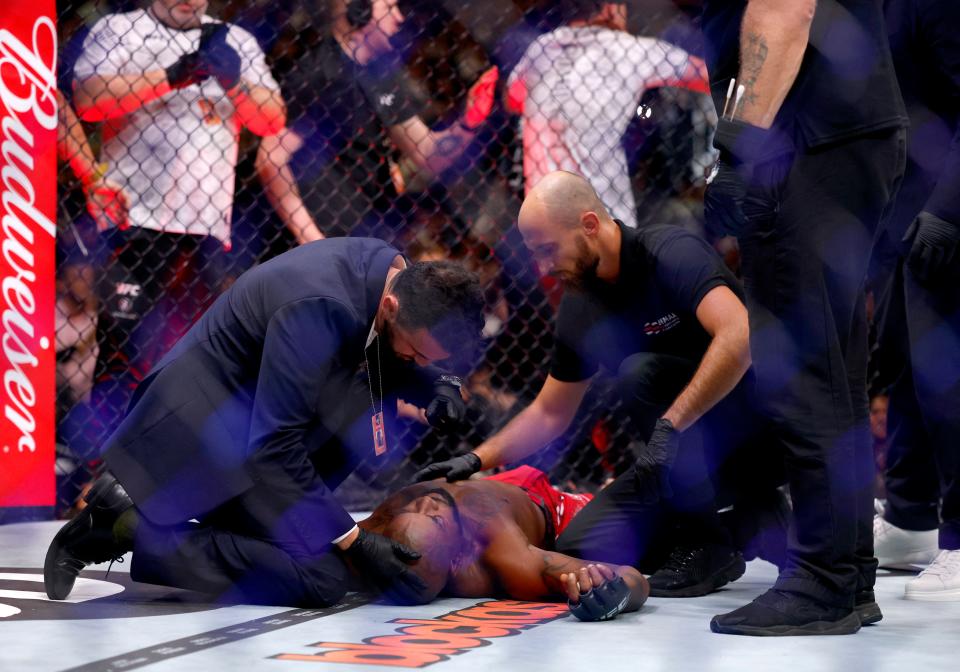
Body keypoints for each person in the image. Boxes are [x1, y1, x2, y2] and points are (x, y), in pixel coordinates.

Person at [44, 238, 485, 608]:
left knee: (311, 548)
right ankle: (130, 529)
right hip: (198, 439)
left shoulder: (397, 275)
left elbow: (394, 352)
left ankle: (149, 517)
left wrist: (439, 384)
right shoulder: (321, 308)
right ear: (390, 306)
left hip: (250, 430)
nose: (417, 363)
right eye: (417, 353)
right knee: (322, 577)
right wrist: (354, 539)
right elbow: (274, 446)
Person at [415, 171, 776, 598]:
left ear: (590, 225)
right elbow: (550, 412)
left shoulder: (669, 253)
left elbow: (740, 333)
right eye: (536, 255)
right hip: (678, 458)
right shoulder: (581, 303)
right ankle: (749, 522)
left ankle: (709, 543)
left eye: (548, 250)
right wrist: (476, 459)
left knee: (640, 373)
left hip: (755, 430)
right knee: (581, 547)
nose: (545, 267)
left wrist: (671, 426)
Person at [699, 0, 908, 635]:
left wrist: (738, 150)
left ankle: (821, 580)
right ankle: (846, 574)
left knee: (801, 365)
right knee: (835, 365)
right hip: (847, 136)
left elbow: (784, 7)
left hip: (807, 143)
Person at [69, 0, 287, 450]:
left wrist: (232, 80)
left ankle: (180, 473)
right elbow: (87, 98)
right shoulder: (121, 30)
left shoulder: (234, 40)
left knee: (203, 362)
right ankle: (104, 476)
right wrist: (174, 75)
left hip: (208, 230)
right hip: (133, 221)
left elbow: (273, 117)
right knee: (122, 357)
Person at [255, 0, 498, 244]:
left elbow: (427, 154)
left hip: (370, 231)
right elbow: (271, 159)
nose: (400, 17)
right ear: (359, 11)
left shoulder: (382, 74)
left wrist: (469, 121)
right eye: (390, 7)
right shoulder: (321, 71)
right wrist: (311, 240)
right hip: (323, 231)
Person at [869, 0, 960, 600]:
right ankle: (909, 518)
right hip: (899, 213)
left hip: (945, 211)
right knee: (904, 366)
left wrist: (949, 210)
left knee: (945, 376)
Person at [505, 0, 710, 228]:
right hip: (603, 219)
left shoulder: (542, 48)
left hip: (543, 219)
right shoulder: (629, 48)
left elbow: (513, 99)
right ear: (611, 8)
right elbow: (708, 75)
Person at [360, 465, 648, 620]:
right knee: (634, 510)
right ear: (460, 555)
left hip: (496, 483)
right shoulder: (506, 558)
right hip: (550, 507)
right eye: (436, 519)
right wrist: (612, 596)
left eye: (411, 512)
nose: (424, 502)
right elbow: (633, 579)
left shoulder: (386, 520)